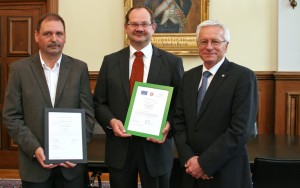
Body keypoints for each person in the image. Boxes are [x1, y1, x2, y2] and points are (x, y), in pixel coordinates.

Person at [93, 6, 184, 188]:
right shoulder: (110, 61)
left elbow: (181, 104)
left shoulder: (172, 63)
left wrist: (169, 125)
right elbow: (99, 102)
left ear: (153, 27)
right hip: (120, 149)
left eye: (144, 24)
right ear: (126, 27)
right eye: (134, 24)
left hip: (156, 149)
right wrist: (111, 121)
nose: (139, 28)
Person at [2, 13, 95, 188]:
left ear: (65, 37)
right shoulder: (19, 69)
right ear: (37, 36)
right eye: (48, 34)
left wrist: (75, 150)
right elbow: (11, 116)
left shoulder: (79, 68)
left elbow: (88, 115)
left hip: (71, 167)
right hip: (34, 165)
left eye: (59, 34)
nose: (54, 39)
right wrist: (35, 149)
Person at [173, 20, 258, 188]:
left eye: (216, 41)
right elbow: (178, 121)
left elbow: (240, 131)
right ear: (198, 45)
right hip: (191, 172)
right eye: (203, 41)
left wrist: (204, 164)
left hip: (226, 172)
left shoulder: (243, 77)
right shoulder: (188, 77)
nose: (209, 46)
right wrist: (189, 158)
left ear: (226, 46)